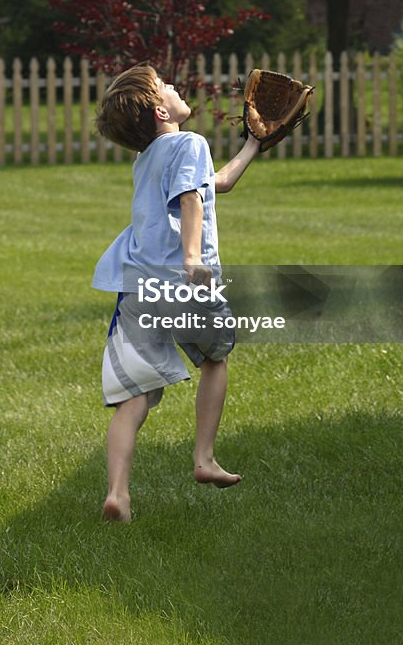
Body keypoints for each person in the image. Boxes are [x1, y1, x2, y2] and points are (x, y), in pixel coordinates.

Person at [92, 63, 260, 521]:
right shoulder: (191, 143)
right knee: (216, 356)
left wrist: (253, 144)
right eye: (165, 86)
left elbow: (215, 184)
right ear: (161, 110)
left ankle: (118, 493)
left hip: (139, 288)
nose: (174, 86)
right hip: (182, 279)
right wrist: (192, 258)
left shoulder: (145, 159)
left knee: (135, 397)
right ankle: (204, 458)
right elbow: (191, 197)